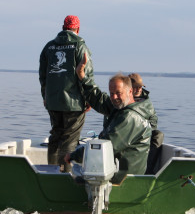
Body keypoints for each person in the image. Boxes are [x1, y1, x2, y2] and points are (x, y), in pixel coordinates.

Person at [66, 56, 152, 177]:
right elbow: (100, 100)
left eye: (118, 93)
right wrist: (82, 77)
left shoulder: (130, 117)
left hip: (124, 177)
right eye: (112, 93)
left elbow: (104, 147)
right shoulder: (122, 108)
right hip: (114, 169)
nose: (114, 97)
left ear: (130, 92)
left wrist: (74, 155)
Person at [39, 15, 94, 172]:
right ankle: (64, 174)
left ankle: (51, 170)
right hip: (74, 104)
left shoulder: (49, 47)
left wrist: (45, 96)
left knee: (56, 136)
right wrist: (89, 99)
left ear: (63, 28)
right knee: (69, 140)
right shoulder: (80, 47)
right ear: (77, 29)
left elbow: (42, 76)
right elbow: (86, 74)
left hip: (53, 102)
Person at [128, 73, 164, 174]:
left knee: (158, 135)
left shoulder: (147, 102)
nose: (139, 89)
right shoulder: (121, 100)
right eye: (136, 87)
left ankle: (147, 170)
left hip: (144, 134)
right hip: (126, 134)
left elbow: (153, 120)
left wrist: (143, 131)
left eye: (140, 87)